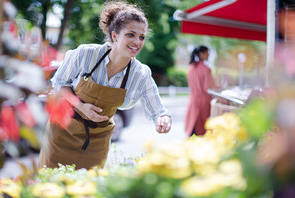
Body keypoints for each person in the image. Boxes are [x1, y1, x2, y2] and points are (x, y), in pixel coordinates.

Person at [39, 1, 172, 170]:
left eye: (142, 37)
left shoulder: (140, 74)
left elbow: (158, 110)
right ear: (115, 36)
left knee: (89, 190)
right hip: (62, 132)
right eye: (130, 34)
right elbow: (59, 83)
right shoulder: (86, 54)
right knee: (52, 186)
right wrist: (81, 106)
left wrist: (163, 119)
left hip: (97, 141)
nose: (137, 42)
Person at [184, 46, 219, 137]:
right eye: (207, 53)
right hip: (204, 101)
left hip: (193, 99)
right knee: (202, 130)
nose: (208, 55)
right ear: (201, 54)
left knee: (193, 127)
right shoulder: (206, 69)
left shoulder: (190, 67)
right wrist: (219, 86)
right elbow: (208, 88)